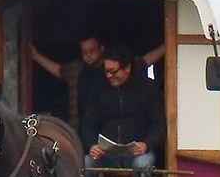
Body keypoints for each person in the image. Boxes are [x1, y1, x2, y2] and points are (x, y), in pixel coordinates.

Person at [80, 46, 166, 177]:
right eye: (107, 72)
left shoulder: (147, 89)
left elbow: (159, 124)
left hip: (138, 151)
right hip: (107, 152)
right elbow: (87, 124)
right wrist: (92, 144)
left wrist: (147, 143)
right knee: (84, 165)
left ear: (127, 68)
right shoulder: (99, 90)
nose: (110, 76)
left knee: (143, 168)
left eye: (114, 71)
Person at [31, 34, 165, 132]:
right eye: (84, 52)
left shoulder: (114, 65)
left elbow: (144, 61)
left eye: (92, 50)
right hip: (80, 128)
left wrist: (168, 44)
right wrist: (36, 56)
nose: (88, 55)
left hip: (109, 129)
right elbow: (59, 70)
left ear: (101, 49)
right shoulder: (77, 69)